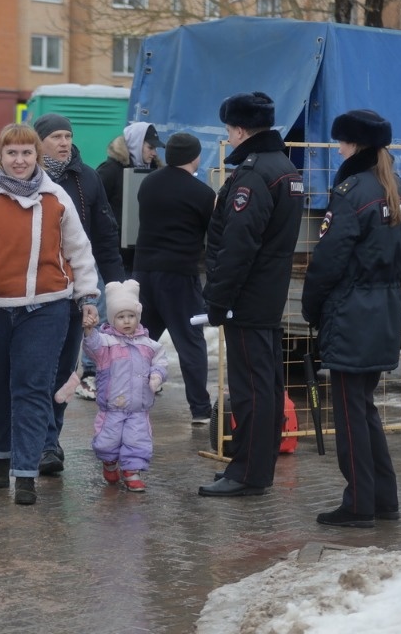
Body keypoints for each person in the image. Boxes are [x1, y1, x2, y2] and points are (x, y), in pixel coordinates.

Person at [0, 123, 100, 505]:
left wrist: (87, 295)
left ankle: (25, 472)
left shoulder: (55, 196)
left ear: (36, 156)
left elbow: (79, 249)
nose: (20, 160)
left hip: (46, 307)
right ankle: (1, 455)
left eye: (27, 153)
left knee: (32, 387)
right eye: (12, 153)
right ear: (1, 156)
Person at [302, 110, 401, 527]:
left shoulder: (352, 192)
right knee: (364, 409)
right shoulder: (400, 191)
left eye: (342, 141)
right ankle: (383, 499)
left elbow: (328, 260)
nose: (338, 148)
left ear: (357, 144)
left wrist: (311, 306)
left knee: (351, 414)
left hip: (352, 311)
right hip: (384, 309)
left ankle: (359, 504)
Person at [198, 91, 304, 497]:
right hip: (266, 294)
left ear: (239, 129)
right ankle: (250, 468)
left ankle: (249, 474)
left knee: (252, 392)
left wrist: (219, 299)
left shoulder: (254, 173)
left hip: (248, 298)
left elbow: (239, 245)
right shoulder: (284, 168)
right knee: (265, 388)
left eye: (229, 128)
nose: (229, 134)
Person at [32, 113, 126, 476]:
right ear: (39, 141)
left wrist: (116, 286)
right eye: (55, 136)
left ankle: (49, 442)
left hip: (74, 291)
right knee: (35, 368)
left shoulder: (87, 177)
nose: (64, 142)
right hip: (32, 292)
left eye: (67, 136)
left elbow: (104, 234)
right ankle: (31, 438)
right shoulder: (26, 177)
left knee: (61, 370)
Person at [132, 132, 215, 426]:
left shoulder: (148, 184)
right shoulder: (203, 194)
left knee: (139, 340)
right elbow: (212, 235)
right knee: (190, 341)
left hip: (144, 271)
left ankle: (129, 398)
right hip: (179, 275)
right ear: (196, 157)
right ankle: (200, 410)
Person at [81, 280, 167, 492]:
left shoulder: (149, 345)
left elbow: (161, 361)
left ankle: (131, 472)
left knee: (136, 440)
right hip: (112, 408)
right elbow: (93, 347)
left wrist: (156, 376)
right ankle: (109, 462)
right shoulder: (107, 343)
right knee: (107, 442)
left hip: (138, 407)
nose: (127, 321)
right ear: (112, 319)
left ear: (138, 317)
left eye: (131, 316)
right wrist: (90, 332)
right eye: (120, 317)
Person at [97, 122, 165, 274]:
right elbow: (95, 205)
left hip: (145, 255)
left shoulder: (155, 173)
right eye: (150, 147)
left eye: (155, 148)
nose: (154, 153)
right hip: (116, 255)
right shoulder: (110, 170)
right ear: (136, 143)